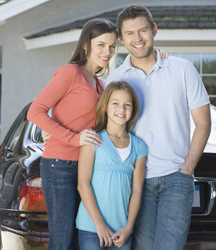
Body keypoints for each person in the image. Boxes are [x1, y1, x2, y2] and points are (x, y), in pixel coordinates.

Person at [103, 5, 211, 250]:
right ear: (121, 38)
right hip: (133, 181)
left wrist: (187, 170)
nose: (137, 38)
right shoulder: (114, 80)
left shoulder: (182, 69)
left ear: (154, 30)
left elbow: (203, 122)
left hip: (176, 177)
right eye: (129, 33)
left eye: (143, 30)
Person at [27, 18, 118, 250]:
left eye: (112, 46)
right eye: (101, 45)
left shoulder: (99, 84)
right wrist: (72, 138)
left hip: (87, 168)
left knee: (81, 238)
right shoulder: (71, 72)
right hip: (60, 166)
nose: (107, 51)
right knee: (63, 238)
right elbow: (35, 111)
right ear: (86, 45)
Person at [76, 81, 147, 250]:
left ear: (133, 109)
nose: (121, 110)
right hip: (91, 228)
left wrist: (128, 228)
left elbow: (137, 191)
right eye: (115, 103)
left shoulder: (139, 147)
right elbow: (82, 184)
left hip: (121, 231)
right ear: (106, 106)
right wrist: (99, 225)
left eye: (127, 105)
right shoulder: (93, 140)